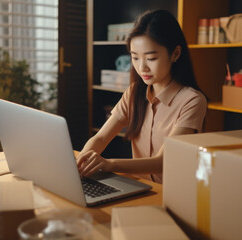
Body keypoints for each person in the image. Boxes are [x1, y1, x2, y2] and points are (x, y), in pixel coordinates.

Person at [77, 9, 208, 183]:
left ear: (175, 54)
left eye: (151, 58)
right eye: (135, 58)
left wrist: (109, 164)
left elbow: (162, 162)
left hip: (175, 193)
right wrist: (80, 164)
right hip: (140, 187)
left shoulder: (192, 101)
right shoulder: (134, 93)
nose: (142, 68)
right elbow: (101, 138)